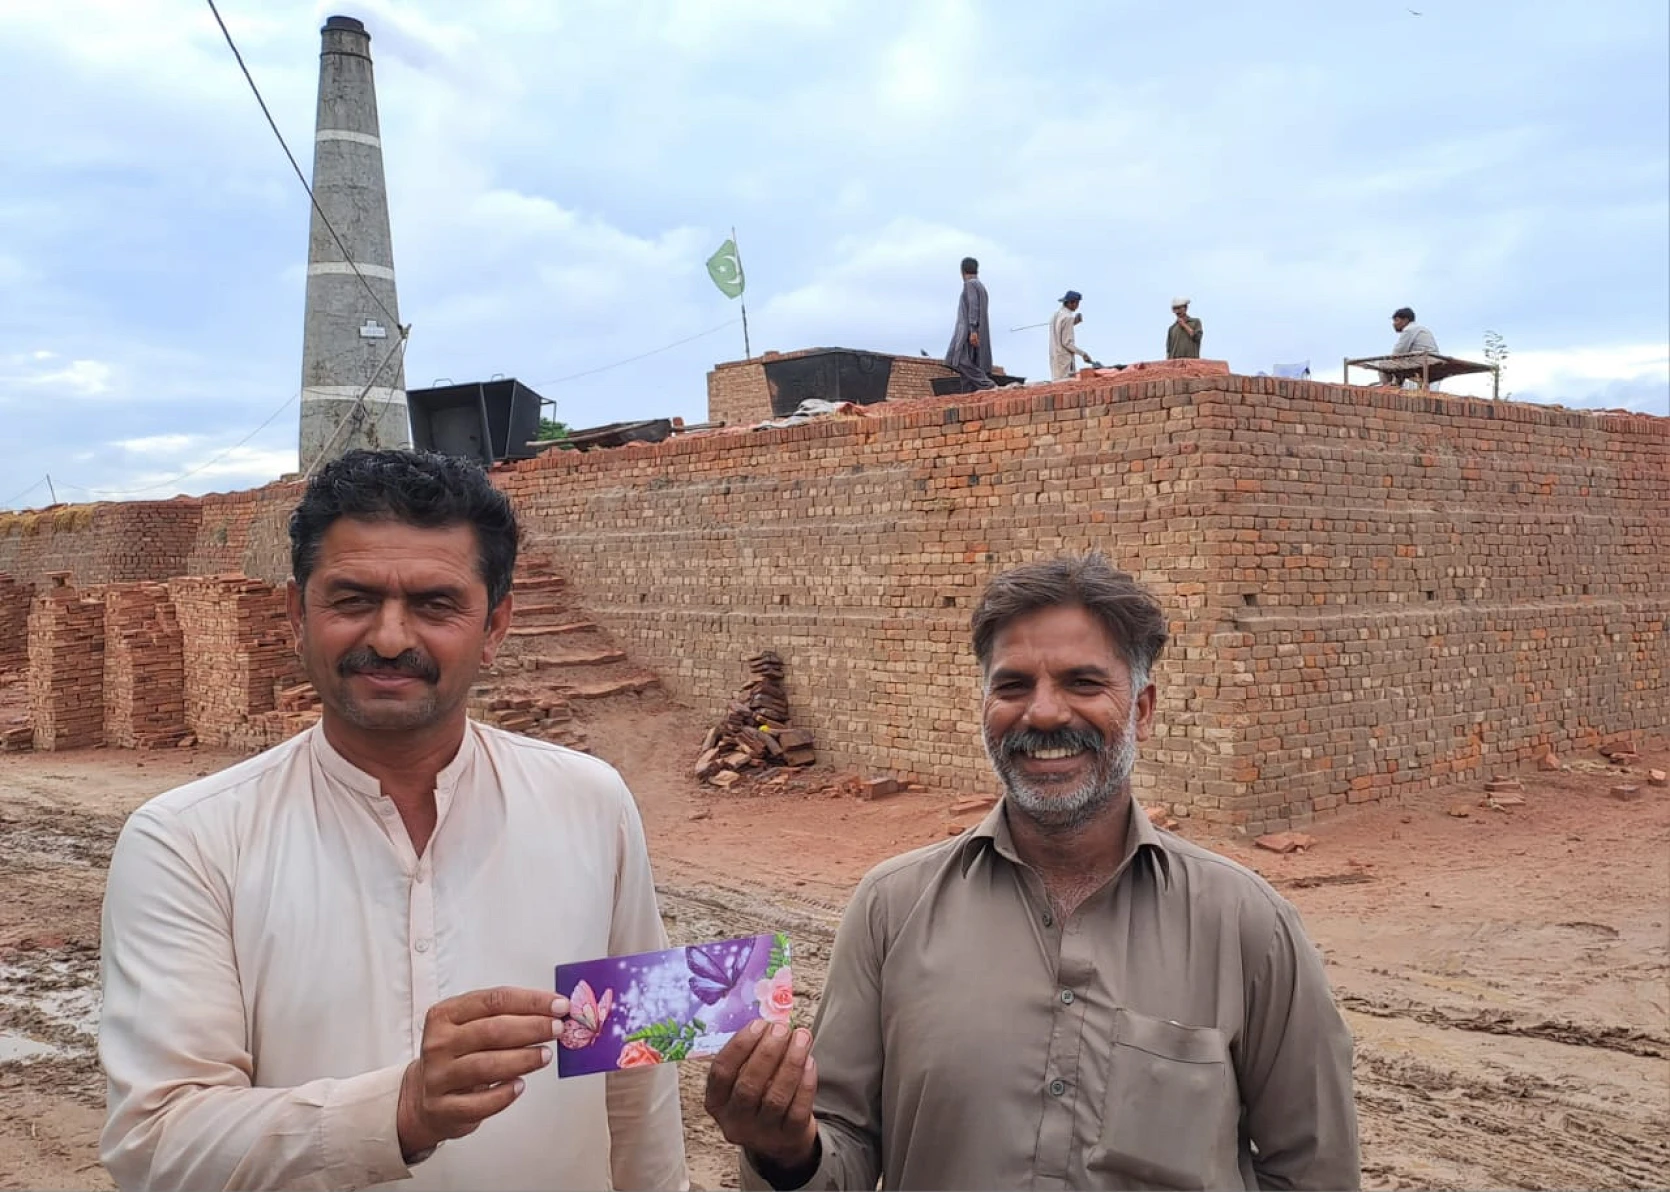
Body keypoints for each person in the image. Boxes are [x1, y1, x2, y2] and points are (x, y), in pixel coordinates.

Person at [98, 449, 687, 1191]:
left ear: (495, 625)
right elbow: (158, 1142)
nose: (388, 637)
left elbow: (636, 1088)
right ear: (296, 615)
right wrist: (399, 1111)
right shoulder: (187, 842)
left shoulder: (591, 800)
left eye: (436, 605)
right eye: (352, 600)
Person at [704, 554, 1360, 1191]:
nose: (1043, 713)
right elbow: (840, 1149)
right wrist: (787, 1154)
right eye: (1013, 686)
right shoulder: (891, 909)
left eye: (1083, 682)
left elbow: (1314, 1172)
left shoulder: (1248, 924)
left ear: (1144, 710)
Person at [944, 256, 996, 390]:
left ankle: (987, 384)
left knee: (959, 360)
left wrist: (973, 330)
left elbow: (974, 307)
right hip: (977, 331)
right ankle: (968, 396)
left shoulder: (970, 285)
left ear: (962, 271)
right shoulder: (981, 287)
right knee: (970, 367)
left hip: (967, 332)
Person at [1380, 306, 1440, 388]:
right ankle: (1395, 385)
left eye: (1396, 320)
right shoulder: (1421, 329)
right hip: (1433, 361)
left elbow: (1396, 353)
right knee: (1401, 363)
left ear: (1405, 320)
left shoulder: (1409, 330)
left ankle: (1388, 389)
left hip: (1422, 361)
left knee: (1383, 365)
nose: (1394, 324)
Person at [1049, 290, 1094, 381]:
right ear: (1070, 303)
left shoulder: (1056, 315)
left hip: (1055, 356)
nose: (1077, 306)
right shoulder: (1068, 317)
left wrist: (1075, 321)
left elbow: (1061, 329)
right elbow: (1067, 343)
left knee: (1056, 382)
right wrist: (1083, 354)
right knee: (1065, 383)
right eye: (1077, 303)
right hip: (1064, 360)